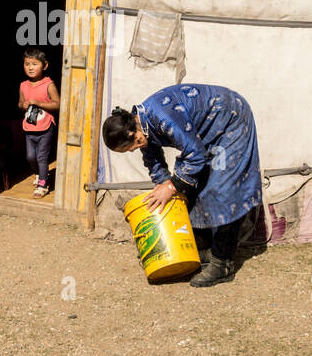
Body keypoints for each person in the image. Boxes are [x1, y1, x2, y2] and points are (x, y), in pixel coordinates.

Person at [101, 84, 262, 288]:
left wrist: (171, 187)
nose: (134, 150)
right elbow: (154, 162)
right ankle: (202, 251)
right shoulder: (141, 127)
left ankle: (223, 263)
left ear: (133, 134)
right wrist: (164, 187)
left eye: (131, 147)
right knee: (193, 186)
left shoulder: (162, 116)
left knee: (224, 190)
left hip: (231, 119)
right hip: (207, 132)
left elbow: (195, 155)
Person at [17, 49, 60, 198]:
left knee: (42, 156)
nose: (30, 67)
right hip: (29, 127)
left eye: (35, 64)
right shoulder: (23, 85)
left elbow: (57, 104)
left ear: (45, 65)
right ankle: (38, 173)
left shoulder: (48, 84)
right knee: (30, 156)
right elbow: (20, 102)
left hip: (45, 127)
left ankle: (43, 184)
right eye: (27, 64)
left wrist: (39, 103)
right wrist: (22, 105)